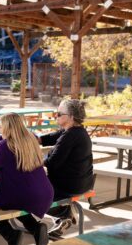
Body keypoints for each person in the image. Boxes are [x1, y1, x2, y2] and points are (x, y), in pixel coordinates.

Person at [0, 113, 54, 245]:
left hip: (21, 194)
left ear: (7, 127)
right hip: (44, 192)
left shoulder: (4, 146)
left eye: (0, 125)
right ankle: (36, 228)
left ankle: (11, 234)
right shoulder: (30, 139)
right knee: (18, 205)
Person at [40, 99, 93, 237]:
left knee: (30, 192)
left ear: (71, 117)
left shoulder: (70, 135)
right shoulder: (77, 131)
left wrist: (30, 162)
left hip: (69, 186)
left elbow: (52, 163)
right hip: (82, 182)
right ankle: (63, 216)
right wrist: (36, 139)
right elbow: (53, 137)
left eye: (58, 114)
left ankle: (63, 215)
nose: (55, 116)